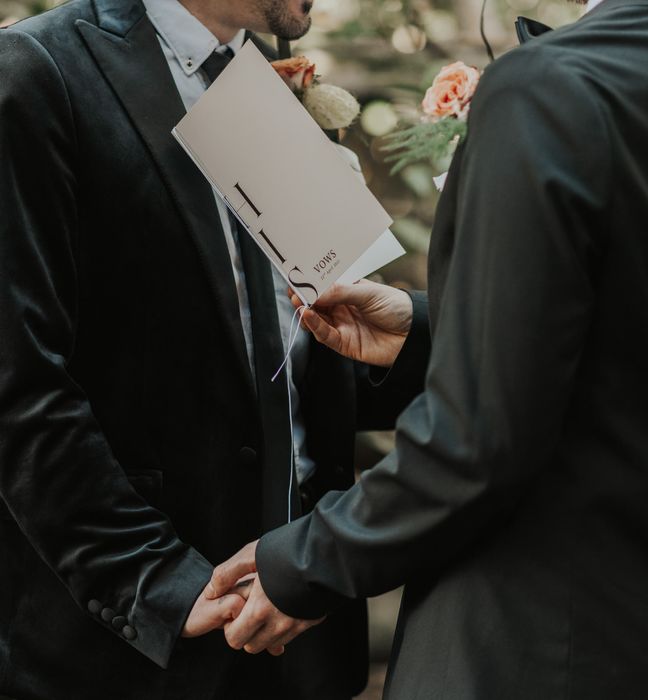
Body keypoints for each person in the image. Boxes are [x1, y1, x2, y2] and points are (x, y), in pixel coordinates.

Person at [207, 0, 648, 697]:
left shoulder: (553, 87)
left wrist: (307, 565)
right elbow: (647, 329)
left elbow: (479, 439)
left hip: (524, 644)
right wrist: (427, 330)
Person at [0, 0, 429, 698]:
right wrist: (158, 583)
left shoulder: (265, 82)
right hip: (133, 652)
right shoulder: (36, 72)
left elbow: (316, 357)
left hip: (301, 645)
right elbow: (19, 381)